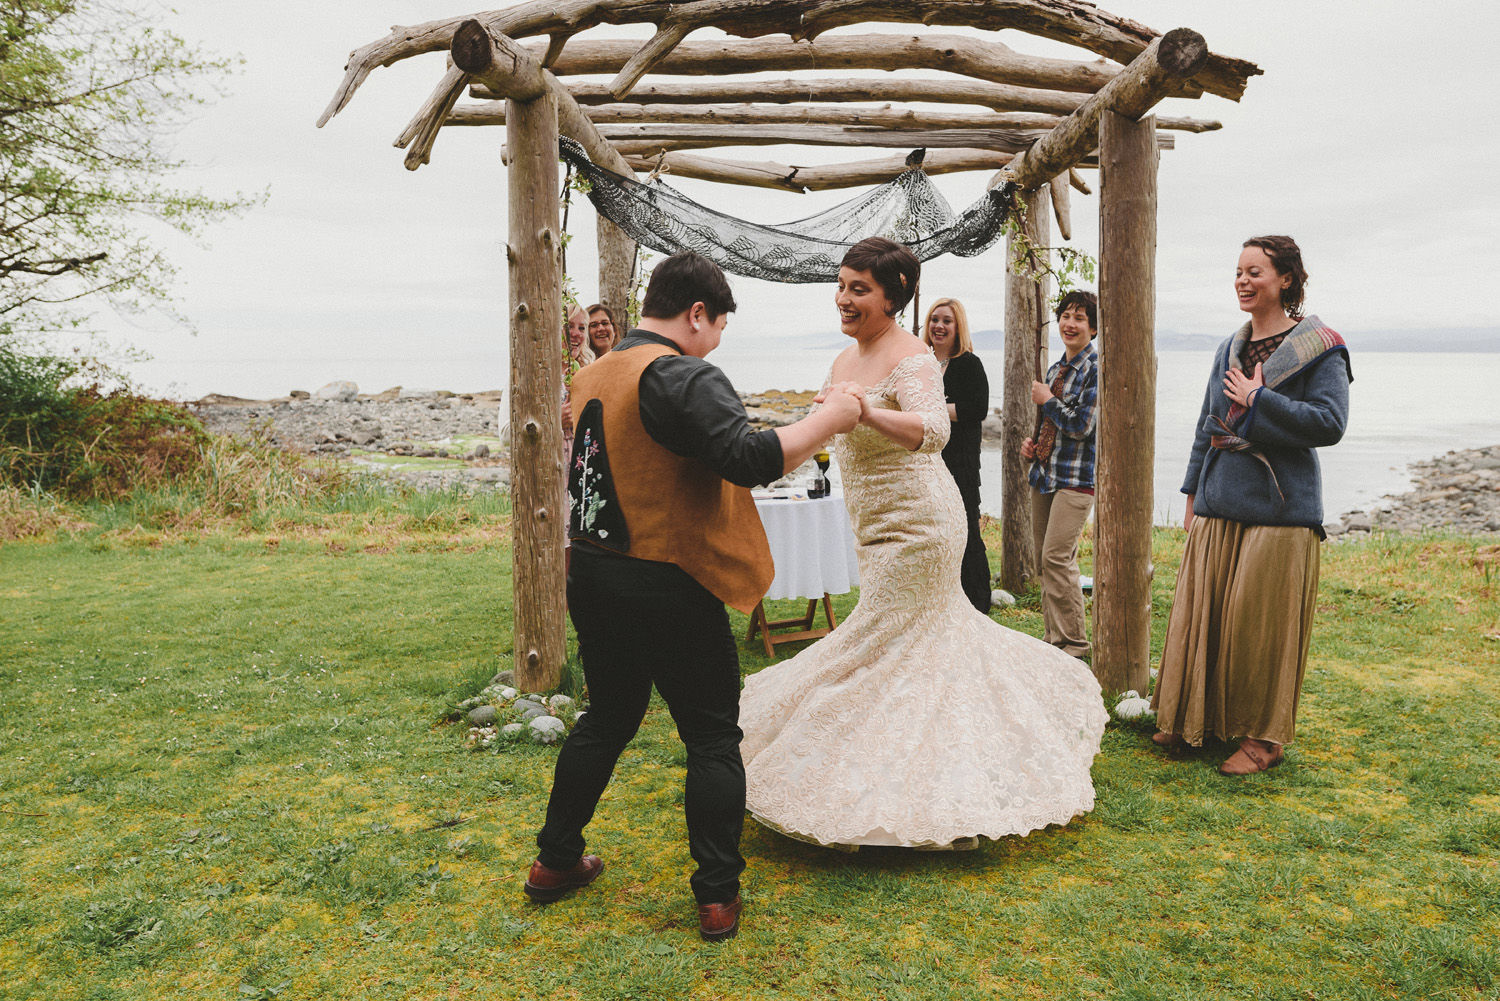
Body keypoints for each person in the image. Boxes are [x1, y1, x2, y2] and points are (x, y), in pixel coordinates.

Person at [526, 251, 863, 941]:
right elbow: (749, 458)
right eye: (718, 327)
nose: (717, 342)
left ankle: (554, 860)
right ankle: (716, 895)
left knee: (607, 718)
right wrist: (829, 420)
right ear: (698, 314)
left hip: (592, 570)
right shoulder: (683, 372)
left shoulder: (593, 375)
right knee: (712, 736)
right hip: (668, 577)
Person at [739, 237, 1108, 850]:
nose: (845, 298)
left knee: (888, 640)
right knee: (899, 646)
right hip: (875, 523)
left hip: (921, 525)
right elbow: (832, 425)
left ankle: (915, 788)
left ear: (894, 295)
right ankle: (893, 770)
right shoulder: (840, 360)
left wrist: (866, 414)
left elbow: (935, 430)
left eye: (860, 289)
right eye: (842, 286)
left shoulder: (911, 357)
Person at [1150, 235, 1351, 776]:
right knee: (1206, 617)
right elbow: (1206, 425)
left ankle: (1264, 740)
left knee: (1260, 627)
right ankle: (1194, 717)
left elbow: (1330, 425)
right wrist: (1193, 492)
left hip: (1282, 508)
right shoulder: (1229, 348)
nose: (1242, 280)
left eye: (1255, 271)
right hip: (1221, 499)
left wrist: (1261, 400)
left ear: (1286, 279)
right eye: (1238, 271)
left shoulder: (1322, 346)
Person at [1020, 290, 1100, 659]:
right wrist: (1032, 445)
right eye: (1066, 316)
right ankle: (1054, 641)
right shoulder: (1055, 370)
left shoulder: (1096, 369)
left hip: (1077, 478)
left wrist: (1047, 401)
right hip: (1046, 473)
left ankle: (1075, 645)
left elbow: (1083, 425)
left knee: (1057, 557)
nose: (1070, 323)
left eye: (1080, 318)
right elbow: (1049, 424)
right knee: (1044, 558)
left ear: (1094, 328)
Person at [923, 297, 991, 613]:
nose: (939, 325)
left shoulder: (969, 364)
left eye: (947, 321)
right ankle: (942, 598)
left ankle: (978, 601)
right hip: (924, 461)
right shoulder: (919, 361)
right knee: (932, 531)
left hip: (960, 459)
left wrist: (934, 409)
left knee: (966, 528)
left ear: (957, 327)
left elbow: (976, 409)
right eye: (935, 319)